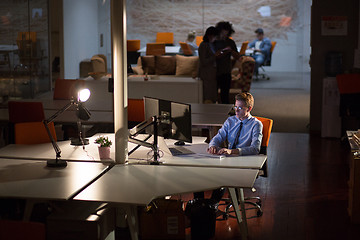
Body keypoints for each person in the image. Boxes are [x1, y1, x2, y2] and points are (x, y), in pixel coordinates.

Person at [194, 92, 263, 202]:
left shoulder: (256, 124)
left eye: (240, 108)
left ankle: (212, 206)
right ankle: (199, 206)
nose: (236, 110)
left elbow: (255, 149)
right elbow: (218, 137)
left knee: (222, 179)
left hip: (244, 159)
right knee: (198, 175)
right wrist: (213, 145)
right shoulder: (230, 121)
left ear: (249, 109)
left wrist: (233, 151)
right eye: (235, 107)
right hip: (228, 159)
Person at [214, 21, 239, 104]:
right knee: (212, 96)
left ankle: (225, 114)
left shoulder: (230, 42)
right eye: (222, 32)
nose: (224, 35)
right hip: (214, 71)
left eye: (226, 33)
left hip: (226, 71)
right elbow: (212, 57)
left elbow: (237, 57)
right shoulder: (213, 42)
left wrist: (231, 51)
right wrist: (223, 52)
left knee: (225, 96)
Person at [198, 26, 220, 103]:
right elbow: (203, 61)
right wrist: (215, 56)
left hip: (212, 72)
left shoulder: (212, 44)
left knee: (212, 92)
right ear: (210, 35)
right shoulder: (204, 45)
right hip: (206, 72)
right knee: (207, 94)